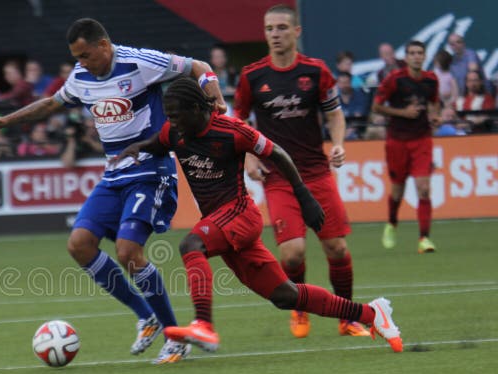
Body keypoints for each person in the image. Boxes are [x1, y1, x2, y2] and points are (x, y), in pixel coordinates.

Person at [0, 17, 226, 364]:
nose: (82, 63)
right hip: (114, 175)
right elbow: (51, 103)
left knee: (128, 250)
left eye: (86, 55)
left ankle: (174, 337)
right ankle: (146, 316)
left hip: (150, 170)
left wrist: (215, 98)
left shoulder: (139, 63)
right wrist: (4, 120)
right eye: (77, 57)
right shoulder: (81, 76)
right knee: (79, 245)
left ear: (104, 45)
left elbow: (199, 67)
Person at [113, 78, 403, 353]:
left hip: (239, 214)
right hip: (221, 223)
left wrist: (304, 196)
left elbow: (277, 154)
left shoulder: (232, 131)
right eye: (169, 116)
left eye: (177, 116)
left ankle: (203, 325)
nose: (172, 122)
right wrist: (139, 147)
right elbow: (159, 142)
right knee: (285, 296)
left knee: (191, 245)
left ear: (197, 108)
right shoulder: (174, 131)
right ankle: (371, 313)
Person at [234, 4, 370, 339]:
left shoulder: (316, 71)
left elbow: (334, 114)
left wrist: (338, 144)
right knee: (292, 255)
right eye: (269, 29)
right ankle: (300, 307)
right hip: (279, 177)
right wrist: (248, 157)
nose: (275, 34)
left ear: (296, 32)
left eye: (282, 28)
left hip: (316, 174)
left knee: (337, 249)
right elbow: (238, 121)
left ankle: (347, 317)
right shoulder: (252, 76)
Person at [372, 40, 440, 254]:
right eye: (412, 53)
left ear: (425, 56)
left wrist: (435, 115)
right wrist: (403, 113)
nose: (416, 57)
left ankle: (424, 238)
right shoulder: (395, 79)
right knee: (398, 190)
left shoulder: (431, 80)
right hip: (397, 140)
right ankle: (392, 223)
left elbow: (434, 101)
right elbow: (376, 107)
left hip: (422, 139)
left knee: (424, 188)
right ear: (407, 57)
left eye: (420, 53)